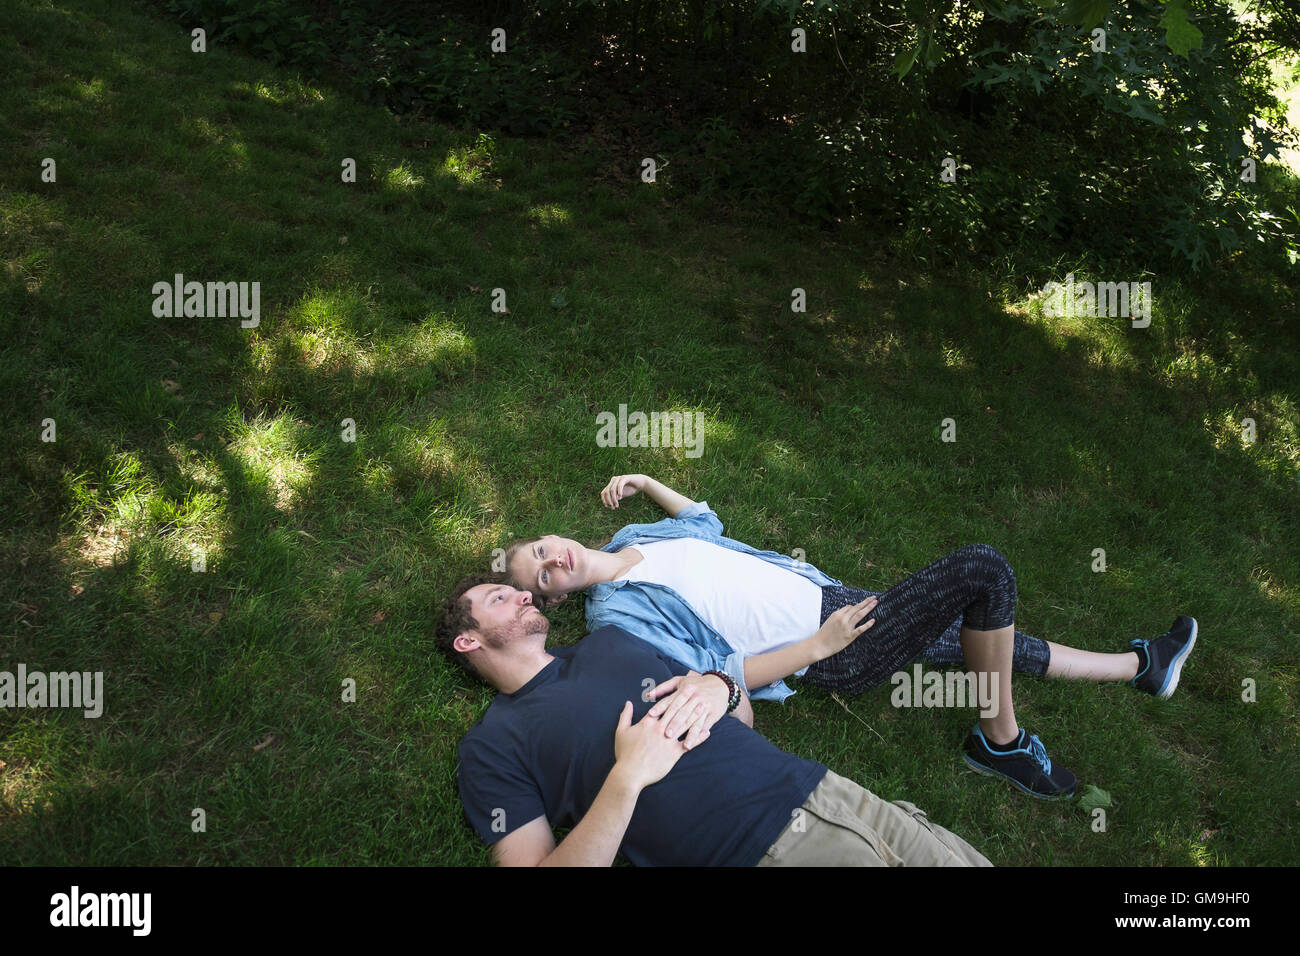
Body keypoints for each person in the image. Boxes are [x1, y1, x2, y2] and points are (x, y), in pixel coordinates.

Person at [503, 474, 1199, 800]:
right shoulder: (618, 619)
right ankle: (1001, 744)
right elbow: (721, 673)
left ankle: (1142, 666)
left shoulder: (635, 534)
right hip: (833, 646)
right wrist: (819, 648)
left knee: (982, 638)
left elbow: (706, 525)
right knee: (984, 571)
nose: (549, 562)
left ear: (555, 538)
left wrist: (649, 481)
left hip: (833, 598)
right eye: (539, 579)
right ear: (553, 599)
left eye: (538, 548)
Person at [437, 575, 992, 867]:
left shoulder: (608, 641)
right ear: (470, 639)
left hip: (830, 792)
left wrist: (718, 684)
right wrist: (626, 779)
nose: (523, 594)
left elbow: (741, 717)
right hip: (760, 851)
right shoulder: (490, 746)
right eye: (499, 597)